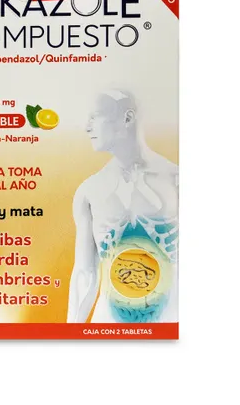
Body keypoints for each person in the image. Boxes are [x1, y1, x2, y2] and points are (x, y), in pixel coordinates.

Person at [67, 89, 179, 323]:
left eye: (95, 116)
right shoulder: (89, 191)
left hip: (170, 324)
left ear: (127, 118)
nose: (87, 127)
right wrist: (71, 333)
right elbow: (85, 272)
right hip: (107, 324)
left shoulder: (176, 181)